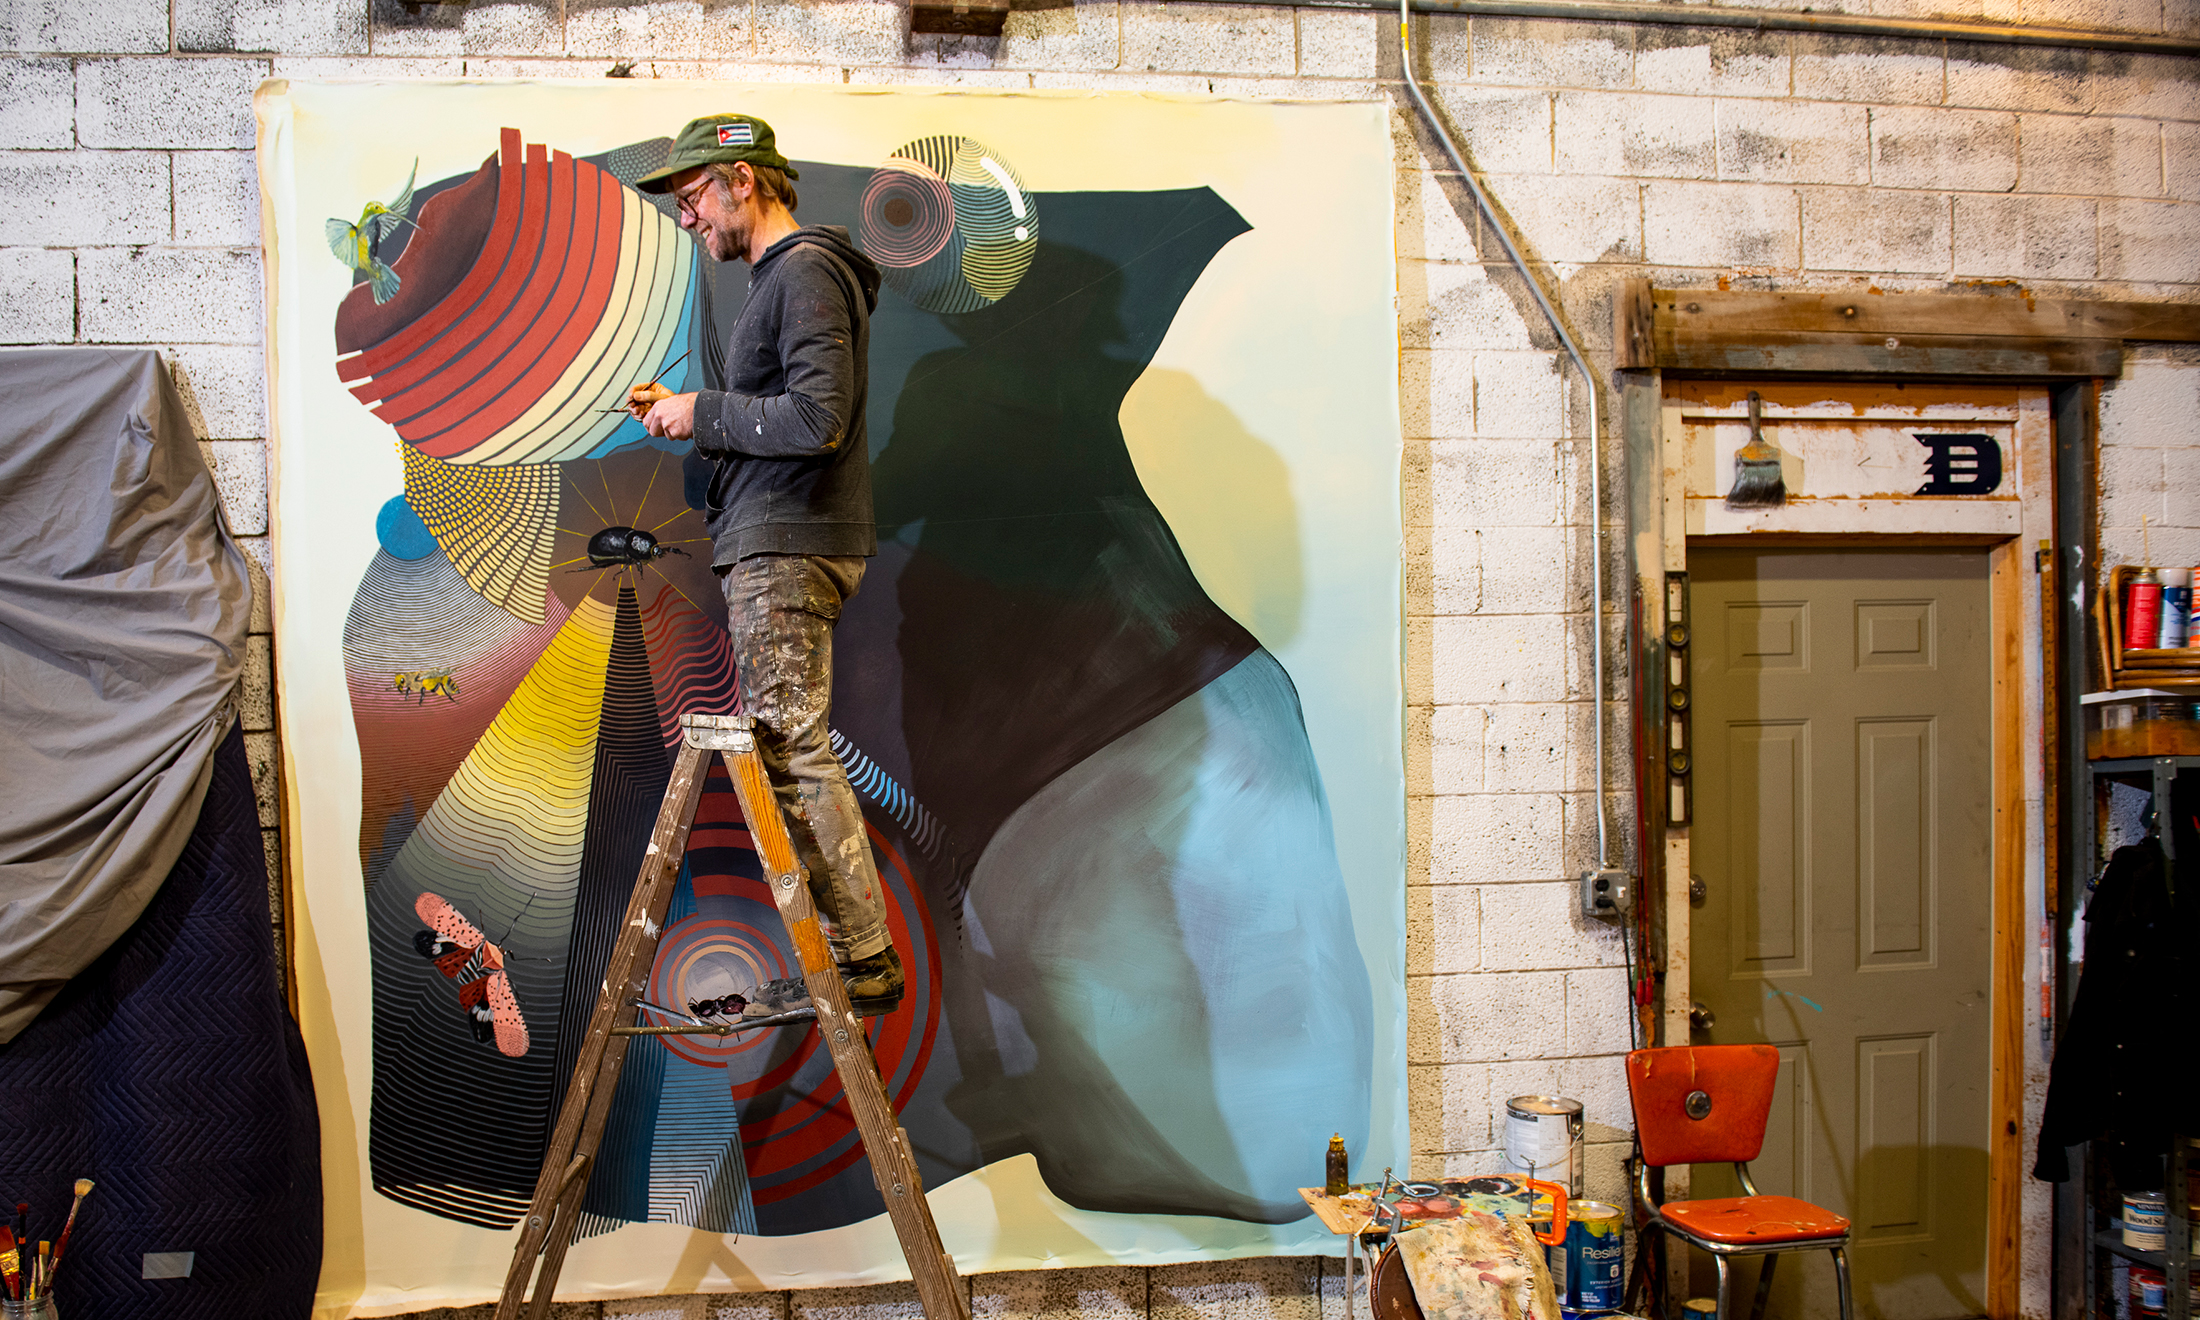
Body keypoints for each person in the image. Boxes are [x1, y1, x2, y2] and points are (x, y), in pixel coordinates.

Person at [626, 113, 900, 1016]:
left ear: (745, 179)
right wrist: (691, 411)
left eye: (693, 195)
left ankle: (864, 960)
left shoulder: (808, 271)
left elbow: (817, 421)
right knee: (788, 743)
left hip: (790, 549)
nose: (687, 218)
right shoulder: (784, 281)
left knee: (789, 741)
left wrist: (703, 410)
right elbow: (785, 417)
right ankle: (851, 956)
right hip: (774, 543)